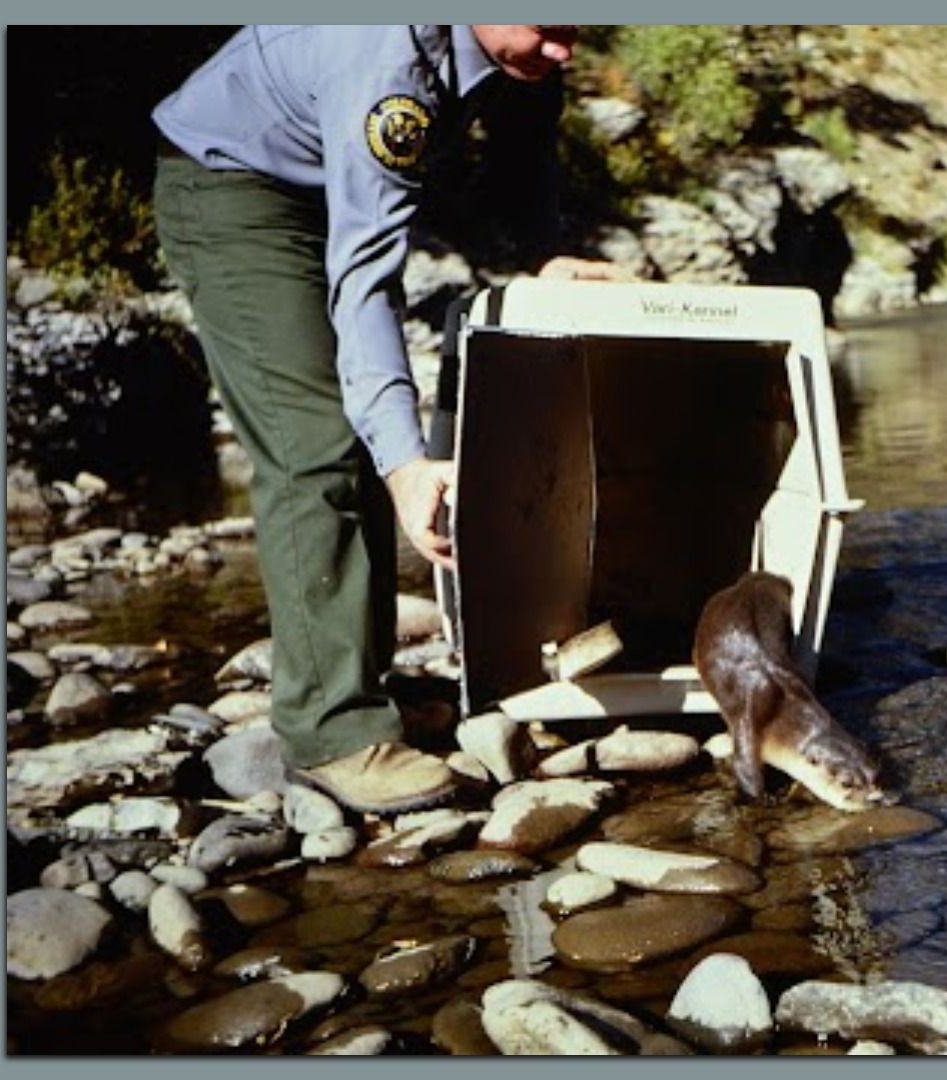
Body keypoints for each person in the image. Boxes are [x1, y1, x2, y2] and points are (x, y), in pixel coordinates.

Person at [151, 25, 623, 814]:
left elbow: (524, 157)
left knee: (361, 433)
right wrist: (405, 464)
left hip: (322, 172)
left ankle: (362, 678)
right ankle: (329, 729)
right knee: (320, 445)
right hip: (235, 188)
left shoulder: (521, 50)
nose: (563, 53)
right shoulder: (387, 66)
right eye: (547, 29)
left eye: (576, 31)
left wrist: (543, 255)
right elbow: (365, 281)